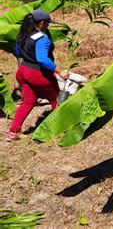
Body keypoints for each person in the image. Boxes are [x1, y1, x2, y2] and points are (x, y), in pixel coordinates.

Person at [6, 9, 69, 141]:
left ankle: (13, 132)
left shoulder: (22, 35)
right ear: (40, 23)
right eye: (46, 23)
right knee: (56, 100)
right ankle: (63, 128)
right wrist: (59, 71)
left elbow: (18, 52)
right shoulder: (42, 38)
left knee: (28, 101)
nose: (48, 26)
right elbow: (42, 58)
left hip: (23, 72)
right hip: (37, 73)